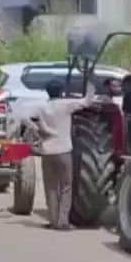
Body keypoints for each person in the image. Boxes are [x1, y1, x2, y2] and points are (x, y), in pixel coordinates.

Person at [32, 79, 98, 231]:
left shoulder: (41, 108)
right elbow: (87, 101)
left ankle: (53, 221)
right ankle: (63, 222)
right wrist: (91, 84)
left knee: (51, 187)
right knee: (66, 187)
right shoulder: (66, 104)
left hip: (47, 152)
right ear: (61, 91)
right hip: (63, 152)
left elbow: (32, 120)